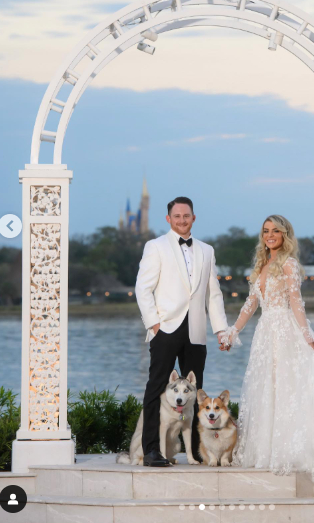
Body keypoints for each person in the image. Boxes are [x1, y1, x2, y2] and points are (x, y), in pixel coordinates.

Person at [219, 214, 314, 498]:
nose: (270, 235)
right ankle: (266, 450)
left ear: (285, 234)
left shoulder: (289, 264)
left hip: (285, 332)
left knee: (287, 389)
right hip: (265, 334)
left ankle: (291, 451)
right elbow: (251, 304)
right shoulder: (262, 265)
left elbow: (297, 303)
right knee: (266, 390)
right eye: (266, 231)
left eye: (275, 231)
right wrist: (232, 332)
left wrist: (307, 333)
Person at [135, 196, 229, 466]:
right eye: (176, 216)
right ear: (168, 219)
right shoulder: (155, 246)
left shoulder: (206, 250)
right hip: (165, 328)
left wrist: (221, 329)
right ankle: (152, 450)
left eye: (186, 215)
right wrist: (154, 323)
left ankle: (199, 451)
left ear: (193, 217)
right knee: (156, 389)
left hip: (196, 331)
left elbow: (214, 294)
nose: (182, 220)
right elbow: (143, 288)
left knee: (196, 392)